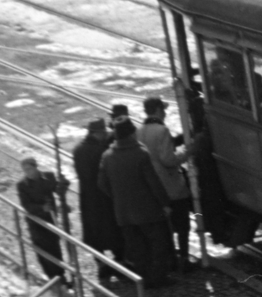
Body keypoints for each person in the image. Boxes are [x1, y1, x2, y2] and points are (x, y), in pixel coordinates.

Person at [97, 118, 173, 287]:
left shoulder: (107, 156)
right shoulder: (140, 153)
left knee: (136, 247)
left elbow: (101, 184)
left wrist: (118, 197)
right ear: (131, 133)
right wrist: (165, 203)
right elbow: (153, 182)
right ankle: (158, 278)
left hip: (123, 213)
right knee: (158, 244)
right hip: (148, 211)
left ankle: (143, 279)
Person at [140, 96, 193, 270]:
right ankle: (184, 259)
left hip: (153, 187)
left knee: (165, 228)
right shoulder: (162, 130)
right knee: (182, 225)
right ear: (156, 110)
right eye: (162, 109)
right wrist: (186, 152)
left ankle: (170, 259)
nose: (165, 112)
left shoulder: (139, 130)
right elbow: (168, 160)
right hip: (171, 186)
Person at [70, 119, 122, 281]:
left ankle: (100, 264)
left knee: (94, 231)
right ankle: (119, 262)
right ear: (97, 133)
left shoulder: (78, 149)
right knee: (112, 230)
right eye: (104, 133)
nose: (105, 135)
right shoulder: (100, 150)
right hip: (104, 197)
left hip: (88, 197)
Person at [15, 157, 70, 284]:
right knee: (43, 250)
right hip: (36, 223)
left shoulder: (48, 176)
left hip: (51, 219)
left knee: (55, 248)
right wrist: (42, 208)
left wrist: (63, 184)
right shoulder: (22, 185)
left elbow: (58, 191)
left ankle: (61, 277)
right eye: (25, 170)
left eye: (29, 168)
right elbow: (26, 205)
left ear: (35, 167)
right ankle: (53, 278)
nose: (27, 172)